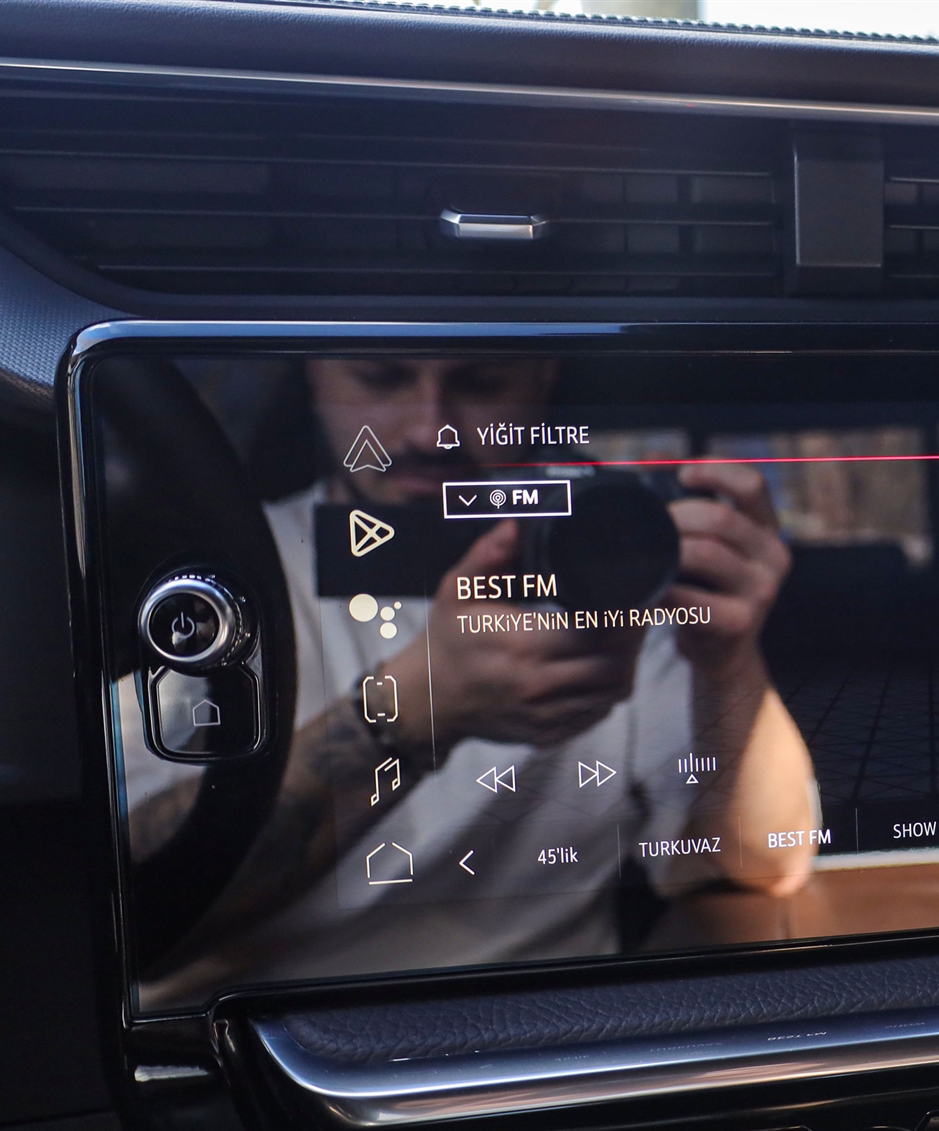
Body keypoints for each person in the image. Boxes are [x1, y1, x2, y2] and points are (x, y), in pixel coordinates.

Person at [132, 358, 817, 1004]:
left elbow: (765, 862)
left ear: (542, 380)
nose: (431, 430)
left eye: (482, 384)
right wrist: (414, 710)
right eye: (381, 378)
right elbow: (131, 903)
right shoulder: (229, 575)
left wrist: (729, 661)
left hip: (559, 1029)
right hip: (268, 1026)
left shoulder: (609, 559)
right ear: (314, 374)